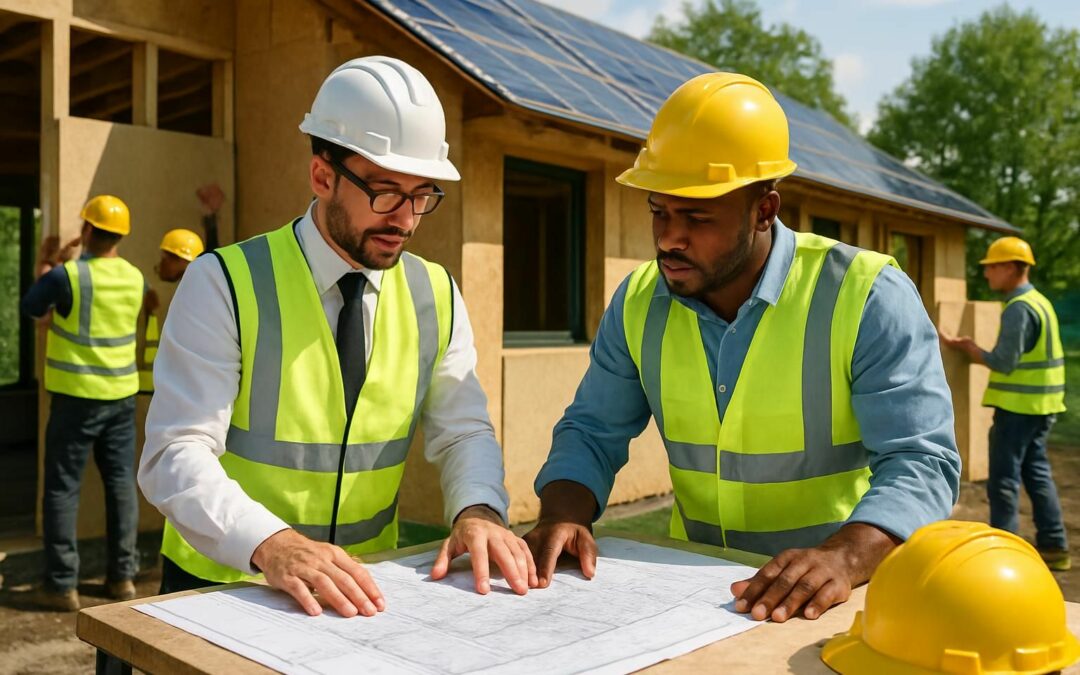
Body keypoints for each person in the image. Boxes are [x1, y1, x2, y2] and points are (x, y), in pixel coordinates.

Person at [525, 72, 960, 623]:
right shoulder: (639, 300)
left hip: (836, 599)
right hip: (698, 603)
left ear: (764, 210)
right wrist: (565, 512)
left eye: (697, 218)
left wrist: (844, 557)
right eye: (659, 211)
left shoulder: (865, 294)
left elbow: (922, 461)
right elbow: (591, 431)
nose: (668, 238)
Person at [139, 55, 535, 618]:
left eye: (422, 194)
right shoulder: (224, 282)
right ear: (323, 176)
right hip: (228, 588)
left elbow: (463, 430)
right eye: (385, 192)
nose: (405, 218)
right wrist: (270, 544)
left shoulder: (436, 294)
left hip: (366, 595)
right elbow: (174, 452)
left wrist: (479, 509)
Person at [21, 195, 145, 611]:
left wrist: (52, 260)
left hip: (75, 399)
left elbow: (30, 306)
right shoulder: (134, 278)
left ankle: (61, 585)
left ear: (87, 231)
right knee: (120, 487)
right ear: (121, 237)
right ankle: (122, 579)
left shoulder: (67, 277)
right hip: (121, 398)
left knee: (61, 489)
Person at [940, 236, 1069, 570]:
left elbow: (1004, 362)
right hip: (1042, 407)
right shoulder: (1040, 302)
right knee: (1037, 474)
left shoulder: (1019, 308)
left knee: (1004, 481)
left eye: (992, 267)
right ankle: (1055, 547)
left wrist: (969, 349)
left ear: (1011, 268)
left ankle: (1002, 554)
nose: (987, 275)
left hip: (1018, 409)